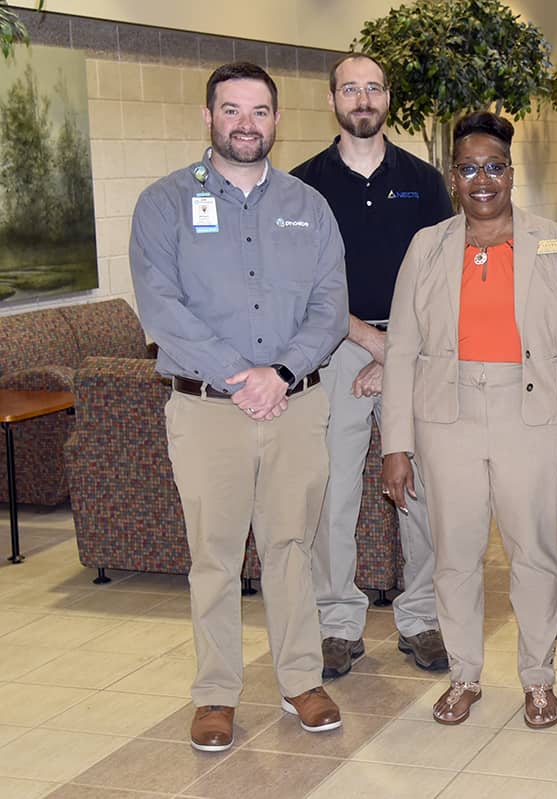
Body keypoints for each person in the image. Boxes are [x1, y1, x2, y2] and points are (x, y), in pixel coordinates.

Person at [129, 62, 348, 752]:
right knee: (214, 556)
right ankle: (217, 694)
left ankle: (300, 680)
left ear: (277, 121)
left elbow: (330, 308)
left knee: (290, 547)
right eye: (231, 110)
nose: (246, 124)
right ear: (208, 117)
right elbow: (161, 306)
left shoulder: (308, 206)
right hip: (205, 409)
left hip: (294, 403)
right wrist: (239, 375)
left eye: (259, 111)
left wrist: (279, 372)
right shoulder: (164, 203)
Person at [380, 111, 557, 729]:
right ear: (454, 177)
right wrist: (396, 444)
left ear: (511, 173)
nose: (483, 179)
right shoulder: (427, 246)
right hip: (445, 418)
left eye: (494, 167)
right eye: (470, 168)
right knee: (454, 555)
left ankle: (537, 678)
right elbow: (401, 351)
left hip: (530, 416)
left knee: (534, 554)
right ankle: (464, 675)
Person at [291, 53, 454, 679]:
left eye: (374, 89)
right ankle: (336, 623)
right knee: (332, 490)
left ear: (389, 99)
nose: (363, 99)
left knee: (422, 486)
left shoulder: (424, 180)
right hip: (335, 348)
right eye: (350, 89)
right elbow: (304, 284)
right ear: (332, 99)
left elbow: (444, 280)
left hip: (417, 347)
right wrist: (370, 343)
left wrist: (398, 353)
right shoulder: (302, 187)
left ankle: (422, 619)